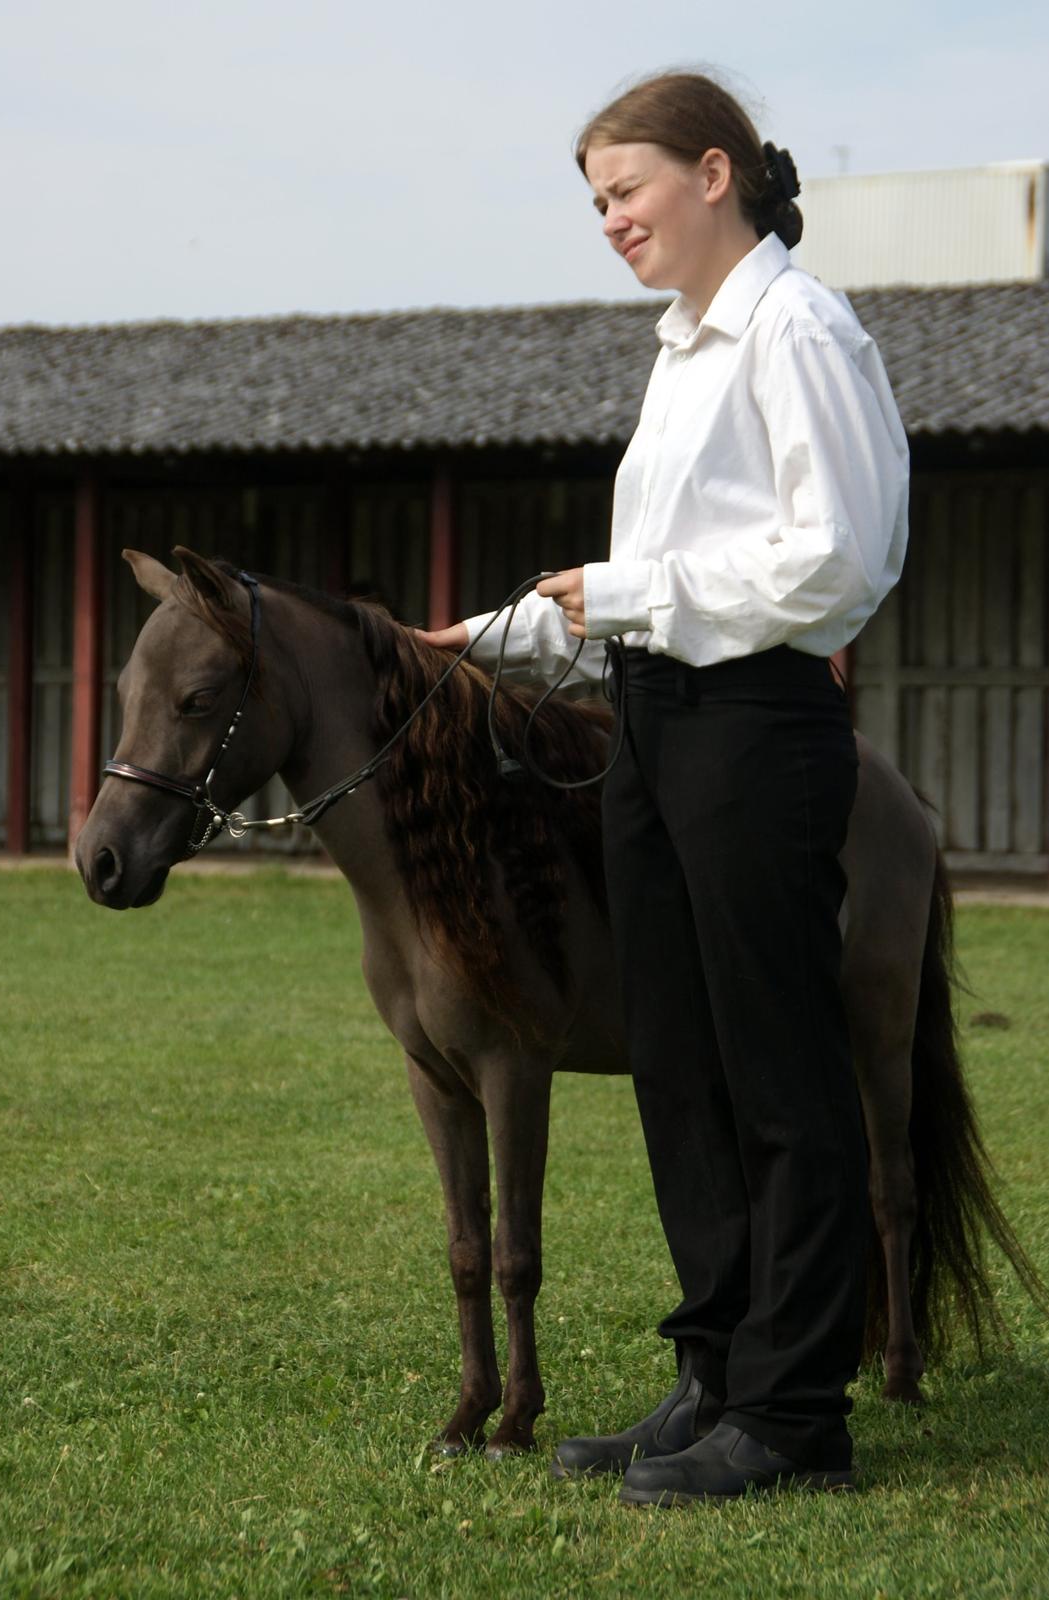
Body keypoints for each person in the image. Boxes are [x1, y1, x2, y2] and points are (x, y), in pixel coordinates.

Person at [419, 69, 908, 1505]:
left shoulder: (798, 329)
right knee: (680, 1072)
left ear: (713, 173)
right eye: (594, 204)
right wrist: (493, 638)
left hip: (754, 730)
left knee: (776, 1067)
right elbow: (647, 593)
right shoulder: (681, 350)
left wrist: (626, 589)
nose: (609, 221)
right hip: (654, 725)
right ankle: (716, 1374)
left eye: (623, 191)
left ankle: (796, 1417)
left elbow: (840, 558)